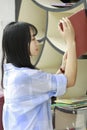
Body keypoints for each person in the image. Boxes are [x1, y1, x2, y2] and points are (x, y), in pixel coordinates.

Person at [1, 17, 77, 130]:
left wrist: (62, 68)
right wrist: (71, 42)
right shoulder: (25, 77)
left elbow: (44, 87)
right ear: (20, 44)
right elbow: (70, 80)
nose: (37, 42)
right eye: (33, 39)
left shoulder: (11, 73)